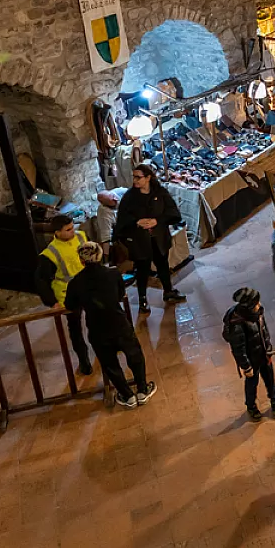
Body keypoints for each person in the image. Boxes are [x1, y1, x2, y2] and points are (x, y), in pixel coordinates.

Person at [67, 242, 156, 409]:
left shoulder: (76, 282)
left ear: (81, 260)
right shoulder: (113, 274)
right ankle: (143, 390)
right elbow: (120, 293)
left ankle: (127, 395)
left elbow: (70, 304)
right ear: (100, 256)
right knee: (134, 355)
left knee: (110, 363)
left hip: (97, 328)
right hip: (119, 323)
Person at [115, 163, 185, 312]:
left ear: (148, 178)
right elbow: (122, 220)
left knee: (163, 267)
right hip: (140, 241)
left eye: (138, 177)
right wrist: (137, 222)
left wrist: (157, 221)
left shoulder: (160, 193)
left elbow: (173, 212)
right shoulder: (129, 197)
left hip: (158, 238)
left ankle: (168, 292)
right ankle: (142, 300)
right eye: (133, 177)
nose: (135, 180)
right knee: (142, 271)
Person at [33, 214, 92, 374]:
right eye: (68, 230)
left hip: (88, 287)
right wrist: (52, 302)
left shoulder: (81, 236)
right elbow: (41, 280)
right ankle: (84, 360)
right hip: (68, 294)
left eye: (73, 227)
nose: (73, 231)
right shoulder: (50, 253)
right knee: (75, 329)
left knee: (97, 321)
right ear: (57, 233)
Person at [222, 286, 275, 420]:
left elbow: (264, 331)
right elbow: (238, 348)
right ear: (248, 306)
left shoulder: (257, 312)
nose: (259, 305)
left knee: (270, 379)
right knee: (251, 384)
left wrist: (269, 348)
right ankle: (251, 406)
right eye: (256, 303)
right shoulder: (236, 323)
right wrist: (246, 366)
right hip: (251, 360)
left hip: (264, 354)